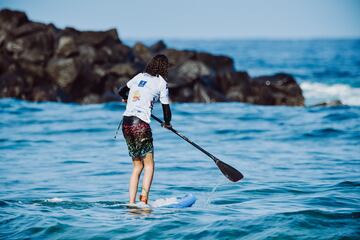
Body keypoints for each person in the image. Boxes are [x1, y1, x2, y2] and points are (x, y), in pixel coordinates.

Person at [118, 54, 172, 205]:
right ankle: (144, 201)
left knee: (137, 166)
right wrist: (167, 123)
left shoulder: (139, 76)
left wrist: (126, 98)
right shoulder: (161, 83)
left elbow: (121, 91)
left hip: (126, 123)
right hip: (140, 125)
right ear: (164, 68)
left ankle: (131, 202)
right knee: (149, 165)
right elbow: (166, 110)